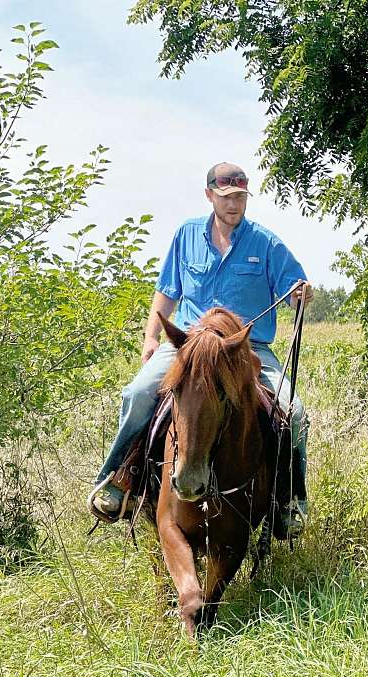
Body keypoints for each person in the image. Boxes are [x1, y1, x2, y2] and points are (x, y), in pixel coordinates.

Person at [88, 162, 314, 523]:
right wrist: (150, 337)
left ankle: (289, 501)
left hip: (245, 348)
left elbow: (292, 287)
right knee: (137, 393)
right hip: (189, 345)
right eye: (226, 197)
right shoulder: (186, 235)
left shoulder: (267, 243)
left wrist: (299, 294)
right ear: (209, 195)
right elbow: (166, 291)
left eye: (240, 197)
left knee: (295, 413)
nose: (234, 204)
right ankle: (119, 478)